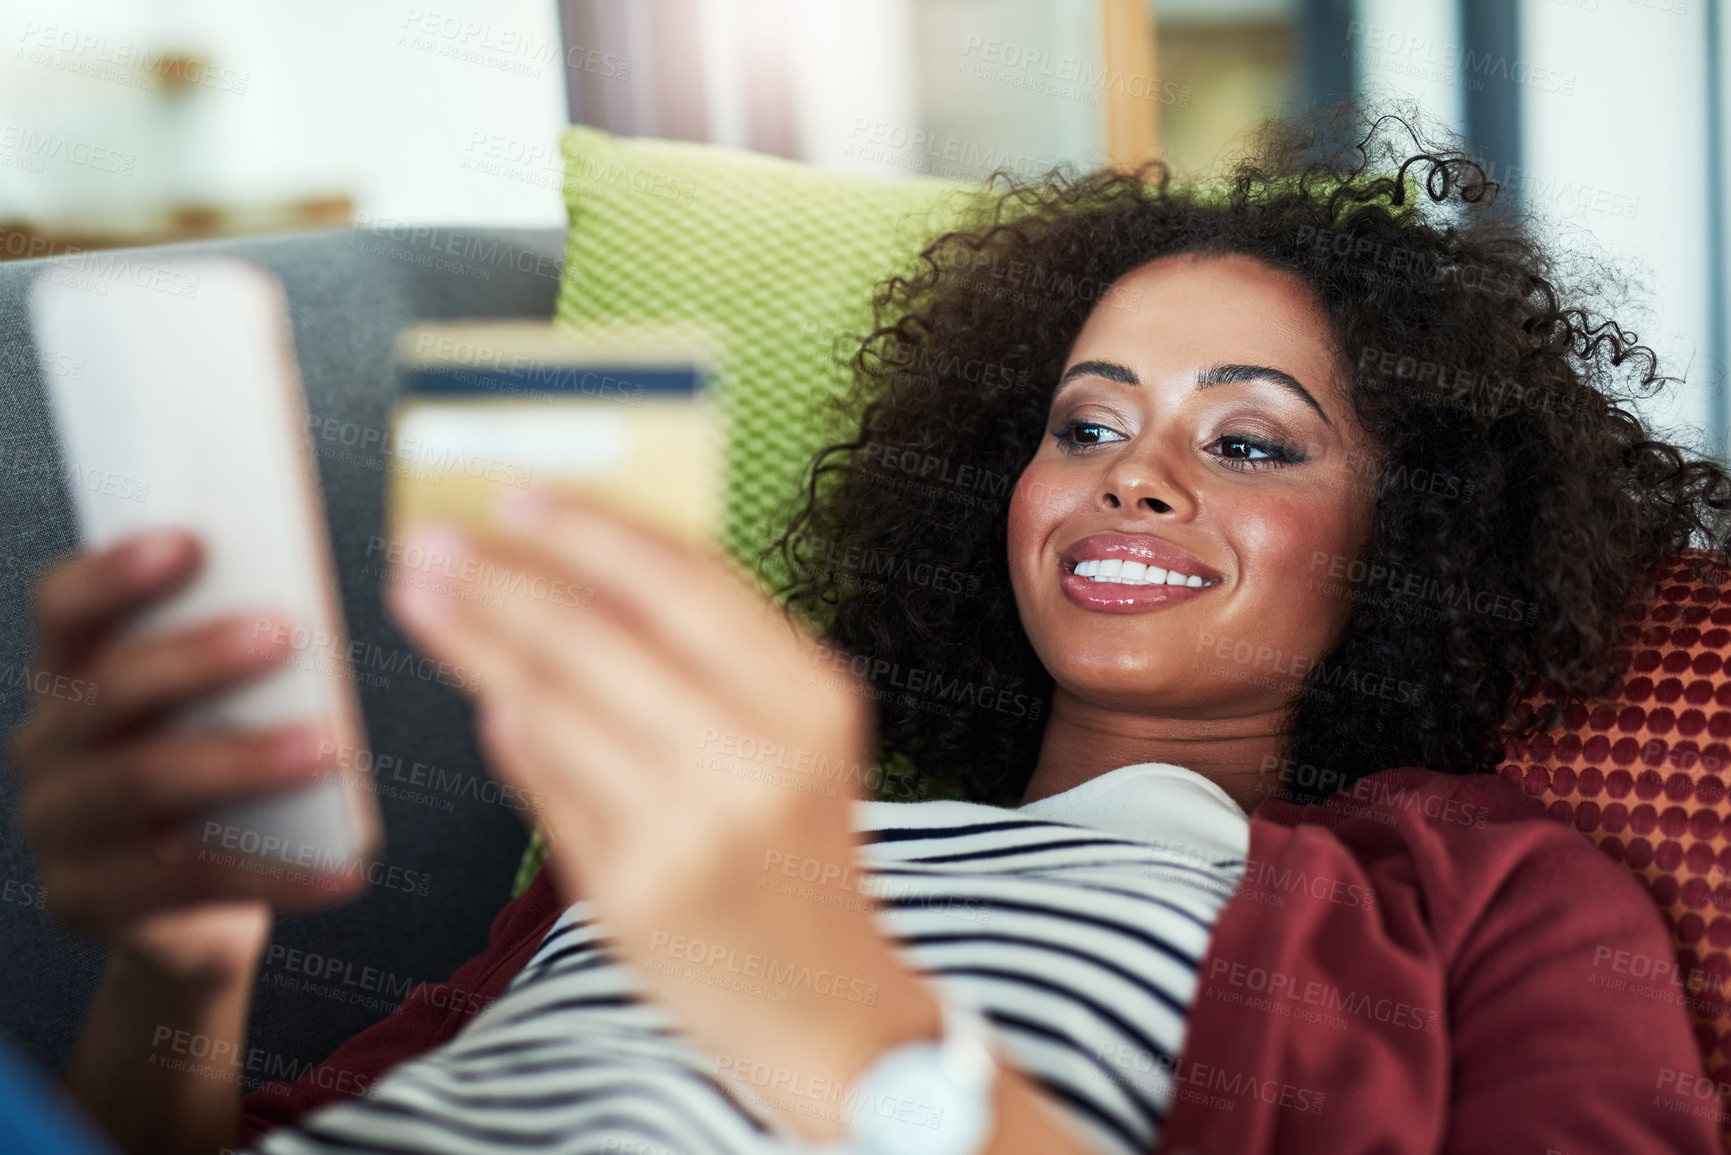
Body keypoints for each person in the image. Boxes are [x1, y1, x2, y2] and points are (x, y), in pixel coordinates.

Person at [12, 109, 1731, 1155]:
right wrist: (193, 946)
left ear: (1416, 536)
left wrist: (843, 1024)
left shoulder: (1481, 893)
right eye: (1083, 423)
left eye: (1252, 442)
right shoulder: (720, 834)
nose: (1134, 478)